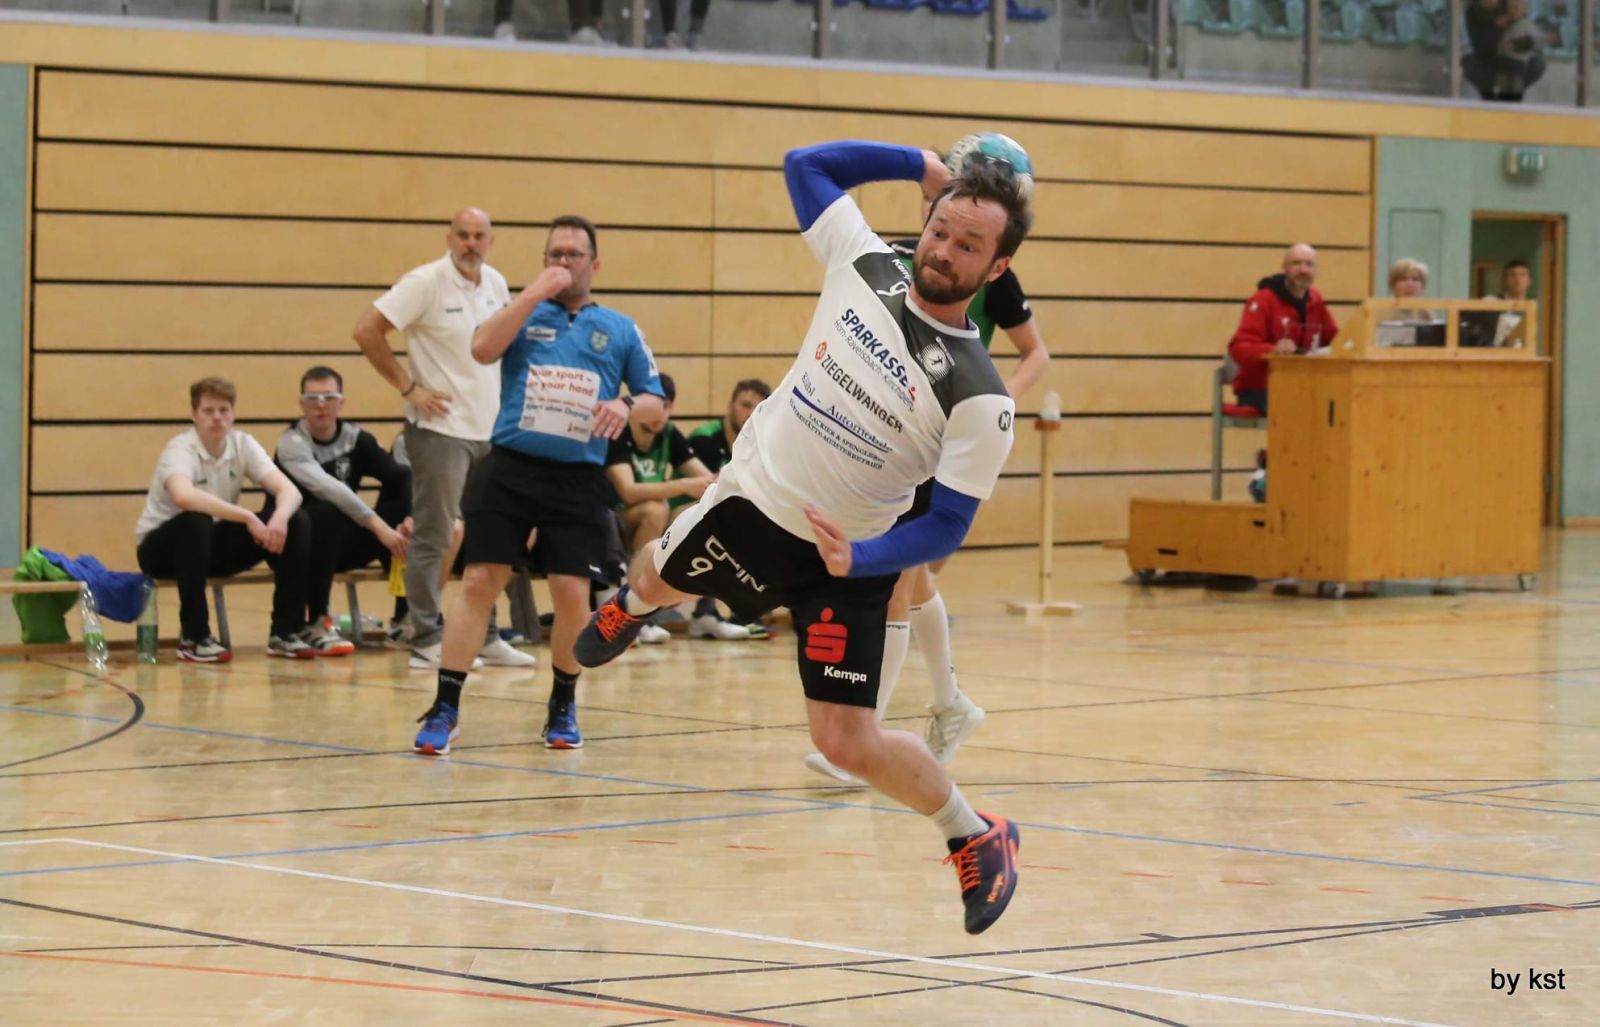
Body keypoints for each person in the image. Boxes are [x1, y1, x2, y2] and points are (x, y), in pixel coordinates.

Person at [574, 140, 1028, 936]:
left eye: (969, 245)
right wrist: (916, 161)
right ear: (925, 221)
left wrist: (864, 558)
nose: (944, 251)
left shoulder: (982, 398)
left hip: (845, 565)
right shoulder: (866, 261)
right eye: (940, 230)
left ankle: (974, 832)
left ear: (996, 268)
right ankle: (627, 608)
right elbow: (803, 167)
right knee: (652, 580)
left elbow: (948, 522)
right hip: (751, 507)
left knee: (845, 741)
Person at [804, 150, 1052, 784]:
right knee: (912, 584)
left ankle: (870, 736)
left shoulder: (991, 276)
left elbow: (1036, 355)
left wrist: (992, 408)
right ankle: (949, 704)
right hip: (899, 425)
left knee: (898, 583)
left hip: (943, 427)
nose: (945, 240)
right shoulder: (905, 254)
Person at [412, 214, 665, 756]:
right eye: (555, 254)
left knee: (572, 591)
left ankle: (562, 704)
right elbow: (481, 349)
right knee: (479, 580)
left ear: (595, 265)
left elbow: (655, 402)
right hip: (510, 468)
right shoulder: (521, 311)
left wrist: (624, 404)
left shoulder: (620, 328)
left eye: (574, 254)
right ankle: (445, 707)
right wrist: (532, 294)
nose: (564, 262)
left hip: (577, 480)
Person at [353, 207, 534, 671]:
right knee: (435, 534)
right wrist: (408, 388)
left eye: (479, 236)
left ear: (491, 241)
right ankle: (425, 636)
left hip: (490, 430)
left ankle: (486, 635)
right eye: (463, 235)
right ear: (449, 238)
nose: (471, 243)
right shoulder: (425, 282)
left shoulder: (495, 283)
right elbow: (367, 330)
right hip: (440, 431)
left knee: (488, 537)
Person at [134, 377, 313, 662]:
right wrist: (247, 517)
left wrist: (279, 518)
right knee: (196, 520)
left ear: (233, 414)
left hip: (209, 547)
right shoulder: (180, 449)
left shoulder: (242, 444)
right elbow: (183, 496)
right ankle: (194, 637)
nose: (217, 417)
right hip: (161, 551)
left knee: (296, 520)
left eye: (224, 410)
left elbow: (290, 490)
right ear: (194, 415)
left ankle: (285, 630)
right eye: (208, 411)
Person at [276, 366, 415, 656]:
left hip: (343, 544)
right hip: (296, 546)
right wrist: (379, 527)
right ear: (301, 404)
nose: (321, 405)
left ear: (342, 402)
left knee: (403, 505)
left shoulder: (356, 438)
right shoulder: (291, 444)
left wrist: (409, 519)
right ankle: (317, 622)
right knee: (326, 512)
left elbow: (400, 476)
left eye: (329, 397)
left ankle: (405, 619)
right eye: (313, 398)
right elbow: (329, 488)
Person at [605, 372, 715, 644]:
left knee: (701, 512)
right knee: (655, 508)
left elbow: (709, 481)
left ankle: (704, 612)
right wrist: (683, 485)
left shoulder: (669, 435)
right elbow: (628, 492)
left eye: (665, 407)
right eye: (654, 407)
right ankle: (633, 609)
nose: (659, 414)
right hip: (613, 519)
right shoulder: (619, 431)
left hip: (652, 522)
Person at [682, 379, 774, 640]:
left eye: (757, 408)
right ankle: (706, 614)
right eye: (745, 405)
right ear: (730, 405)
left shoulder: (760, 444)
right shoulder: (705, 438)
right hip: (684, 509)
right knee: (723, 521)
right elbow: (708, 486)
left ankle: (743, 613)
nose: (749, 413)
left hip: (728, 510)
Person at [1226, 242, 1339, 415]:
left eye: (1309, 264)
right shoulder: (1263, 300)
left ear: (1315, 270)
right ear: (1284, 268)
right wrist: (1272, 350)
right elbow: (1239, 348)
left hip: (1301, 386)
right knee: (1304, 410)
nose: (1303, 270)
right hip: (1260, 388)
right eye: (1296, 263)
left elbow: (1334, 340)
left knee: (1336, 405)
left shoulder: (1316, 301)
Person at [1494, 257, 1533, 346]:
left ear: (1529, 281)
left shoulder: (1533, 308)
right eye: (1512, 274)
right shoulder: (1493, 303)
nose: (1517, 279)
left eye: (1522, 275)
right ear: (1506, 280)